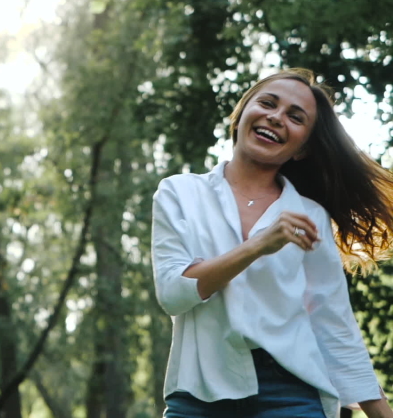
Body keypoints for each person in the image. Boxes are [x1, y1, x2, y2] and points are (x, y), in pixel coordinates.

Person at [151, 68, 393, 418]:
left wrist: (380, 412)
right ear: (242, 114)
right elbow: (174, 293)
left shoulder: (310, 216)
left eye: (296, 117)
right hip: (198, 395)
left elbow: (333, 324)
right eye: (267, 103)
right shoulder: (180, 193)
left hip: (292, 394)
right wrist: (258, 245)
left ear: (302, 149)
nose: (276, 118)